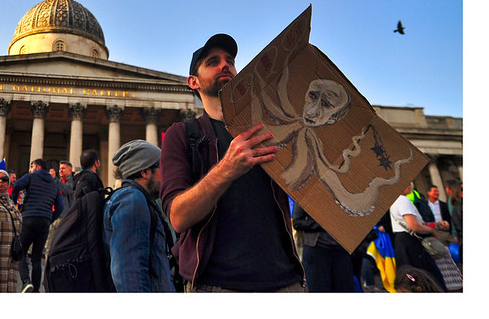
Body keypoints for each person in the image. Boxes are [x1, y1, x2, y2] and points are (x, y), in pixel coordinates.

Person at [160, 34, 304, 292]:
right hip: (216, 285)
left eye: (230, 61)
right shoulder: (182, 135)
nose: (225, 65)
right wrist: (227, 169)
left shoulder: (268, 130)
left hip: (286, 282)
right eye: (212, 62)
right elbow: (178, 218)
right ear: (193, 81)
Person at [104, 139, 174, 292]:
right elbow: (129, 272)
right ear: (145, 172)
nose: (166, 175)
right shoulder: (132, 200)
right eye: (162, 168)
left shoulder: (138, 200)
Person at [11, 158, 64, 292]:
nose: (30, 169)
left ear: (38, 167)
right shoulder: (54, 184)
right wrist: (50, 218)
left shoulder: (31, 177)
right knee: (37, 258)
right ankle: (36, 290)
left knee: (21, 252)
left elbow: (17, 185)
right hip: (44, 221)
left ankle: (26, 281)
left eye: (32, 166)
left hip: (29, 217)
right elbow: (60, 206)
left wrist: (13, 202)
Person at [389, 184, 447, 291]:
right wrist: (431, 230)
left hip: (402, 242)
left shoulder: (395, 200)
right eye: (407, 183)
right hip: (410, 243)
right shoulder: (403, 200)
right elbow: (414, 226)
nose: (410, 185)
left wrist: (435, 225)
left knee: (409, 277)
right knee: (427, 275)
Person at [292, 202, 354, 292]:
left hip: (341, 249)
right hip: (317, 249)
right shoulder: (307, 196)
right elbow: (297, 223)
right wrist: (321, 223)